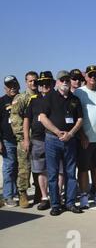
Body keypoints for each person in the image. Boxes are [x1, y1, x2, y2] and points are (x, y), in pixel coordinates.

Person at [39, 70, 84, 216]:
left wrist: (70, 134)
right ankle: (56, 204)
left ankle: (70, 203)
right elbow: (43, 117)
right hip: (52, 139)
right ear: (57, 82)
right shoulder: (49, 97)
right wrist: (58, 132)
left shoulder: (75, 99)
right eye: (62, 80)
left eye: (67, 79)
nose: (65, 82)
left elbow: (80, 119)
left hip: (70, 140)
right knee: (52, 174)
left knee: (70, 173)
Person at [24, 71, 64, 210]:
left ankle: (57, 196)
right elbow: (27, 120)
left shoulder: (60, 98)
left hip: (55, 139)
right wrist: (26, 139)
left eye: (48, 83)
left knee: (59, 170)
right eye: (42, 83)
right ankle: (44, 197)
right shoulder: (34, 100)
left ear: (53, 84)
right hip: (38, 140)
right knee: (41, 170)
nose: (45, 86)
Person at [74, 65, 96, 209]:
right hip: (84, 139)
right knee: (83, 169)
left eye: (95, 76)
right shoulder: (79, 92)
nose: (93, 78)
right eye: (90, 75)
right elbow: (77, 115)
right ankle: (83, 195)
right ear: (86, 77)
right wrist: (81, 135)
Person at [10, 71, 39, 208]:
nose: (33, 83)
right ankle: (23, 194)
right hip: (25, 139)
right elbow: (15, 119)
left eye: (35, 80)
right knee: (24, 168)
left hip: (40, 139)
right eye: (30, 81)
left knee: (40, 167)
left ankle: (40, 192)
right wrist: (22, 138)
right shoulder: (21, 98)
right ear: (26, 82)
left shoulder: (42, 96)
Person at [0, 76, 21, 207]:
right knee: (9, 167)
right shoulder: (1, 101)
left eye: (14, 85)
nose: (12, 87)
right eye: (9, 86)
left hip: (21, 139)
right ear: (5, 88)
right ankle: (8, 196)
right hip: (7, 140)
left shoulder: (23, 99)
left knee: (20, 169)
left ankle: (18, 192)